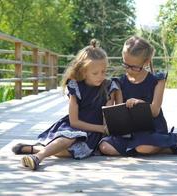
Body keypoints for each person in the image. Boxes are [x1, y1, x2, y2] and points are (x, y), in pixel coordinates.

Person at [12, 39, 120, 170]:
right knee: (68, 139)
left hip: (93, 133)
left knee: (71, 152)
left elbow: (107, 118)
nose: (101, 76)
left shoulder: (108, 87)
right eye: (95, 73)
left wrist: (105, 129)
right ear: (83, 71)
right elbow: (74, 122)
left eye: (103, 71)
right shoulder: (75, 86)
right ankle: (38, 157)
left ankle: (34, 149)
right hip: (75, 127)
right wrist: (101, 129)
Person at [99, 36, 177, 156]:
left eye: (133, 67)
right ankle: (164, 148)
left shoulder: (157, 81)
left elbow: (155, 111)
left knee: (143, 148)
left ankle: (175, 139)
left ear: (146, 62)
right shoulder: (119, 82)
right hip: (130, 132)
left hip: (152, 130)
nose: (128, 70)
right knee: (105, 147)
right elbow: (119, 110)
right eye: (125, 64)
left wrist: (140, 104)